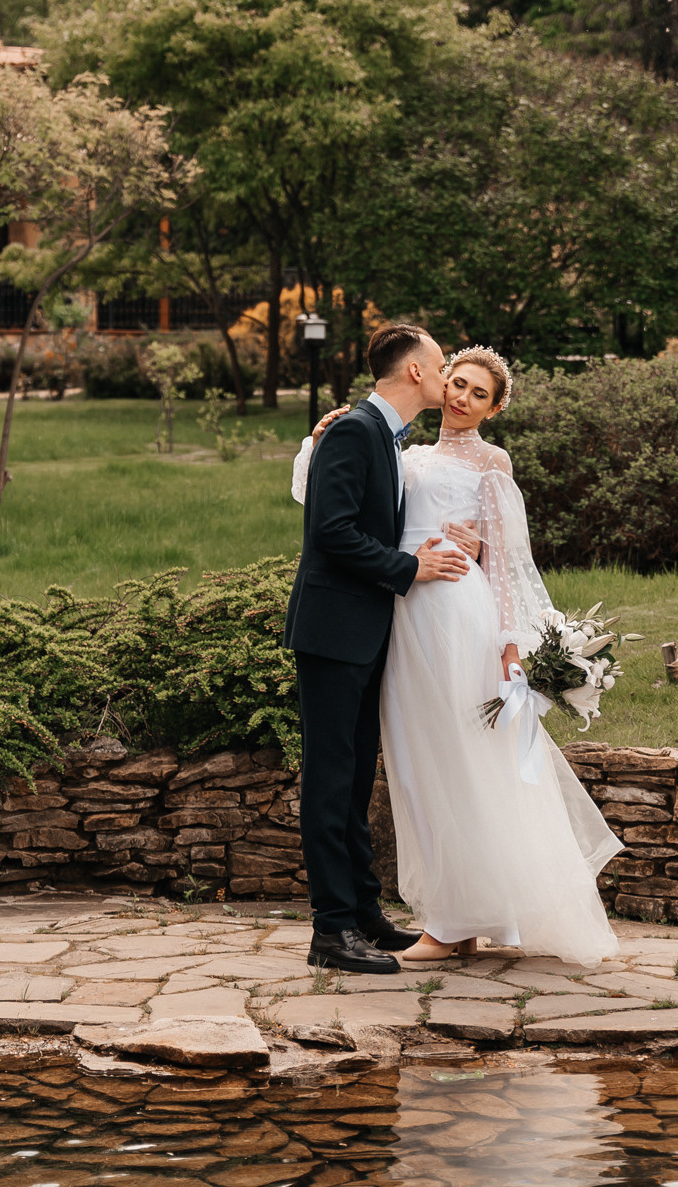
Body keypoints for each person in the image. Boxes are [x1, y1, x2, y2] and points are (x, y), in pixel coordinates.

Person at [293, 344, 621, 965]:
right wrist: (317, 438)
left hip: (452, 613)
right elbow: (344, 510)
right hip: (400, 614)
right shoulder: (401, 450)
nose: (459, 394)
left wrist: (509, 642)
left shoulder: (492, 462)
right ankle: (441, 915)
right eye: (455, 381)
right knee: (418, 766)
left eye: (476, 392)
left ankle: (451, 918)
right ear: (430, 380)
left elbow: (507, 563)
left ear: (494, 409)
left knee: (461, 759)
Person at [281, 322, 478, 974]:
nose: (447, 370)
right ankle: (330, 932)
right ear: (415, 372)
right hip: (334, 633)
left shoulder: (388, 437)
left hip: (363, 632)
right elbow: (331, 532)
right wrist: (406, 568)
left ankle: (363, 912)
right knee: (332, 782)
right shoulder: (355, 431)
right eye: (440, 360)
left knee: (357, 777)